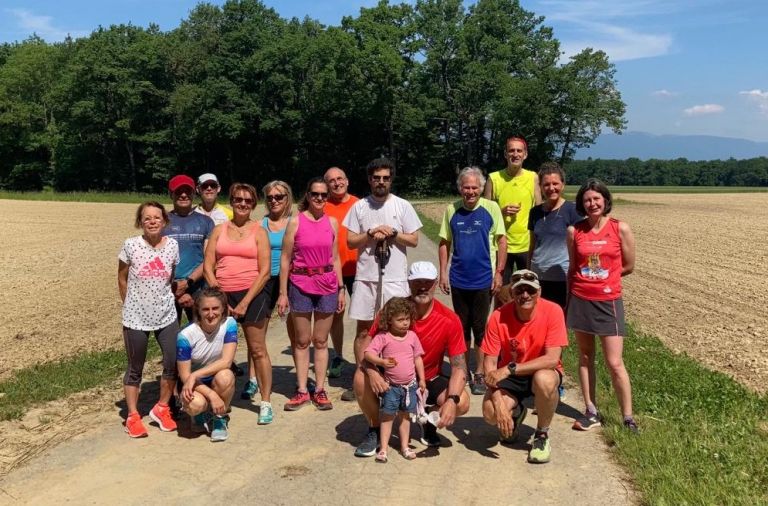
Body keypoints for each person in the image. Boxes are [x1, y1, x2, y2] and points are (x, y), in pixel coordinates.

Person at [353, 261, 469, 458]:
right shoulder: (392, 310)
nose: (422, 286)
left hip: (426, 379)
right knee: (359, 377)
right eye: (417, 282)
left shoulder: (449, 319)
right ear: (408, 283)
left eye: (428, 282)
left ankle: (428, 422)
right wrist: (373, 373)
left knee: (462, 401)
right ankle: (374, 428)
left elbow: (459, 367)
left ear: (435, 284)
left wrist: (451, 400)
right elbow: (366, 348)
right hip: (390, 377)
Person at [343, 157, 422, 401]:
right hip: (367, 277)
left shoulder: (402, 206)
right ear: (369, 180)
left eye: (385, 178)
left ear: (391, 180)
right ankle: (362, 376)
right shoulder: (360, 207)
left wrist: (393, 233)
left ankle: (397, 376)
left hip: (395, 278)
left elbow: (414, 239)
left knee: (396, 328)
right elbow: (350, 241)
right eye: (376, 178)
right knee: (364, 330)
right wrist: (369, 234)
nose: (381, 182)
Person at [566, 178, 638, 433]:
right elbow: (573, 268)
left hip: (608, 301)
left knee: (614, 362)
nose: (592, 203)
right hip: (581, 298)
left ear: (605, 201)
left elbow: (628, 265)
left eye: (596, 199)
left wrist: (607, 280)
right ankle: (591, 410)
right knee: (585, 357)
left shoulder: (621, 229)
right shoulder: (575, 231)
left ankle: (628, 417)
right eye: (587, 200)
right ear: (581, 204)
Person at [204, 183, 274, 425]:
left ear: (253, 204)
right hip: (222, 294)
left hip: (252, 294)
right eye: (238, 200)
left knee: (257, 349)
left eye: (247, 200)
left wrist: (244, 302)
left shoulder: (259, 231)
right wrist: (219, 294)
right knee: (216, 351)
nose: (242, 204)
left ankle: (265, 401)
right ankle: (217, 400)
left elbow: (265, 271)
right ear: (231, 202)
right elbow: (208, 265)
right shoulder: (218, 230)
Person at [481, 269, 568, 464]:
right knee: (490, 413)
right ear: (512, 294)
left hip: (539, 371)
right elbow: (489, 364)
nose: (525, 295)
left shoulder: (553, 311)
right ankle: (516, 413)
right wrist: (498, 404)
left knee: (544, 380)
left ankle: (541, 435)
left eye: (531, 290)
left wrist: (510, 368)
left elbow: (552, 359)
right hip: (511, 377)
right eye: (519, 291)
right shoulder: (498, 316)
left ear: (539, 292)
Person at [277, 178, 345, 411]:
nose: (319, 198)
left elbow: (335, 258)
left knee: (321, 341)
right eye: (315, 194)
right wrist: (283, 293)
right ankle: (302, 389)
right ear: (307, 195)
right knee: (303, 340)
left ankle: (320, 389)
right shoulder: (295, 223)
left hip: (327, 285)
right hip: (300, 284)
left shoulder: (333, 223)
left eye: (324, 195)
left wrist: (341, 288)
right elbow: (285, 259)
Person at [438, 166, 506, 396]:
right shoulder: (451, 210)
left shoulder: (491, 208)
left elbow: (502, 242)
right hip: (458, 279)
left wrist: (499, 273)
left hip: (483, 280)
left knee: (480, 328)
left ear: (480, 188)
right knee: (461, 328)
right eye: (466, 187)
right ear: (460, 188)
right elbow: (444, 243)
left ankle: (478, 371)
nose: (470, 191)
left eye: (474, 187)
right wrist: (443, 273)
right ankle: (462, 371)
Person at [117, 201, 180, 438]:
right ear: (140, 222)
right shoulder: (131, 245)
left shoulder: (172, 246)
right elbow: (122, 278)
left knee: (172, 362)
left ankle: (162, 408)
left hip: (166, 315)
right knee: (135, 368)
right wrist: (130, 305)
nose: (152, 221)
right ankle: (132, 416)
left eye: (157, 217)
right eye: (147, 218)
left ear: (164, 220)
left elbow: (169, 278)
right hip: (136, 317)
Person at [240, 180, 295, 402]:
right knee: (257, 333)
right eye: (270, 197)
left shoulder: (294, 223)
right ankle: (253, 380)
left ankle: (298, 382)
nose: (274, 201)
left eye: (279, 197)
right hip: (263, 279)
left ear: (287, 198)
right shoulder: (258, 224)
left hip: (290, 280)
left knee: (295, 331)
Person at [364, 297, 426, 463]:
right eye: (400, 320)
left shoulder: (412, 336)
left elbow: (418, 359)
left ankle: (405, 446)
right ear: (389, 320)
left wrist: (422, 379)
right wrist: (381, 362)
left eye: (407, 319)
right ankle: (383, 449)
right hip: (390, 387)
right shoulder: (383, 337)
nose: (405, 323)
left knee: (405, 417)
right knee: (387, 417)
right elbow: (368, 353)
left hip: (410, 387)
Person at [176, 288, 238, 442]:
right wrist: (212, 395)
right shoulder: (185, 336)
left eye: (215, 308)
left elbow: (226, 361)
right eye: (205, 309)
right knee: (196, 404)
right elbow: (185, 376)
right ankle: (199, 415)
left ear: (223, 309)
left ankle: (219, 419)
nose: (211, 314)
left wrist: (196, 374)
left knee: (226, 376)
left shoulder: (229, 324)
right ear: (198, 311)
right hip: (194, 384)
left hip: (211, 377)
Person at [484, 136, 541, 284]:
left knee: (528, 289)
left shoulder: (533, 177)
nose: (515, 154)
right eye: (511, 150)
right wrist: (500, 212)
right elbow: (483, 214)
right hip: (501, 245)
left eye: (519, 151)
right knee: (501, 292)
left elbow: (539, 211)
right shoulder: (493, 178)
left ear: (525, 154)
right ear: (505, 154)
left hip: (526, 245)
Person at [528, 162, 583, 309]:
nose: (551, 188)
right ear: (540, 186)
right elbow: (532, 244)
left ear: (563, 185)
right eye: (546, 184)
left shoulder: (573, 211)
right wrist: (529, 270)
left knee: (558, 321)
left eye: (555, 183)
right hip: (537, 277)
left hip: (562, 278)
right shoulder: (535, 212)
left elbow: (580, 247)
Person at [323, 167, 359, 379]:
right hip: (332, 269)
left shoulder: (359, 204)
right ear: (326, 185)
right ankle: (337, 355)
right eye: (331, 181)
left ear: (347, 181)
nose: (336, 183)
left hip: (359, 268)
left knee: (367, 316)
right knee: (336, 314)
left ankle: (369, 354)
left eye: (340, 179)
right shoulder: (322, 206)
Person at [163, 175, 214, 323]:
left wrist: (187, 282)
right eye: (179, 191)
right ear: (171, 194)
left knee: (202, 332)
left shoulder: (206, 222)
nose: (184, 195)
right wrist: (176, 287)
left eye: (188, 191)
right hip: (168, 287)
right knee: (170, 337)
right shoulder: (161, 221)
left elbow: (209, 259)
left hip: (197, 286)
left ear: (194, 193)